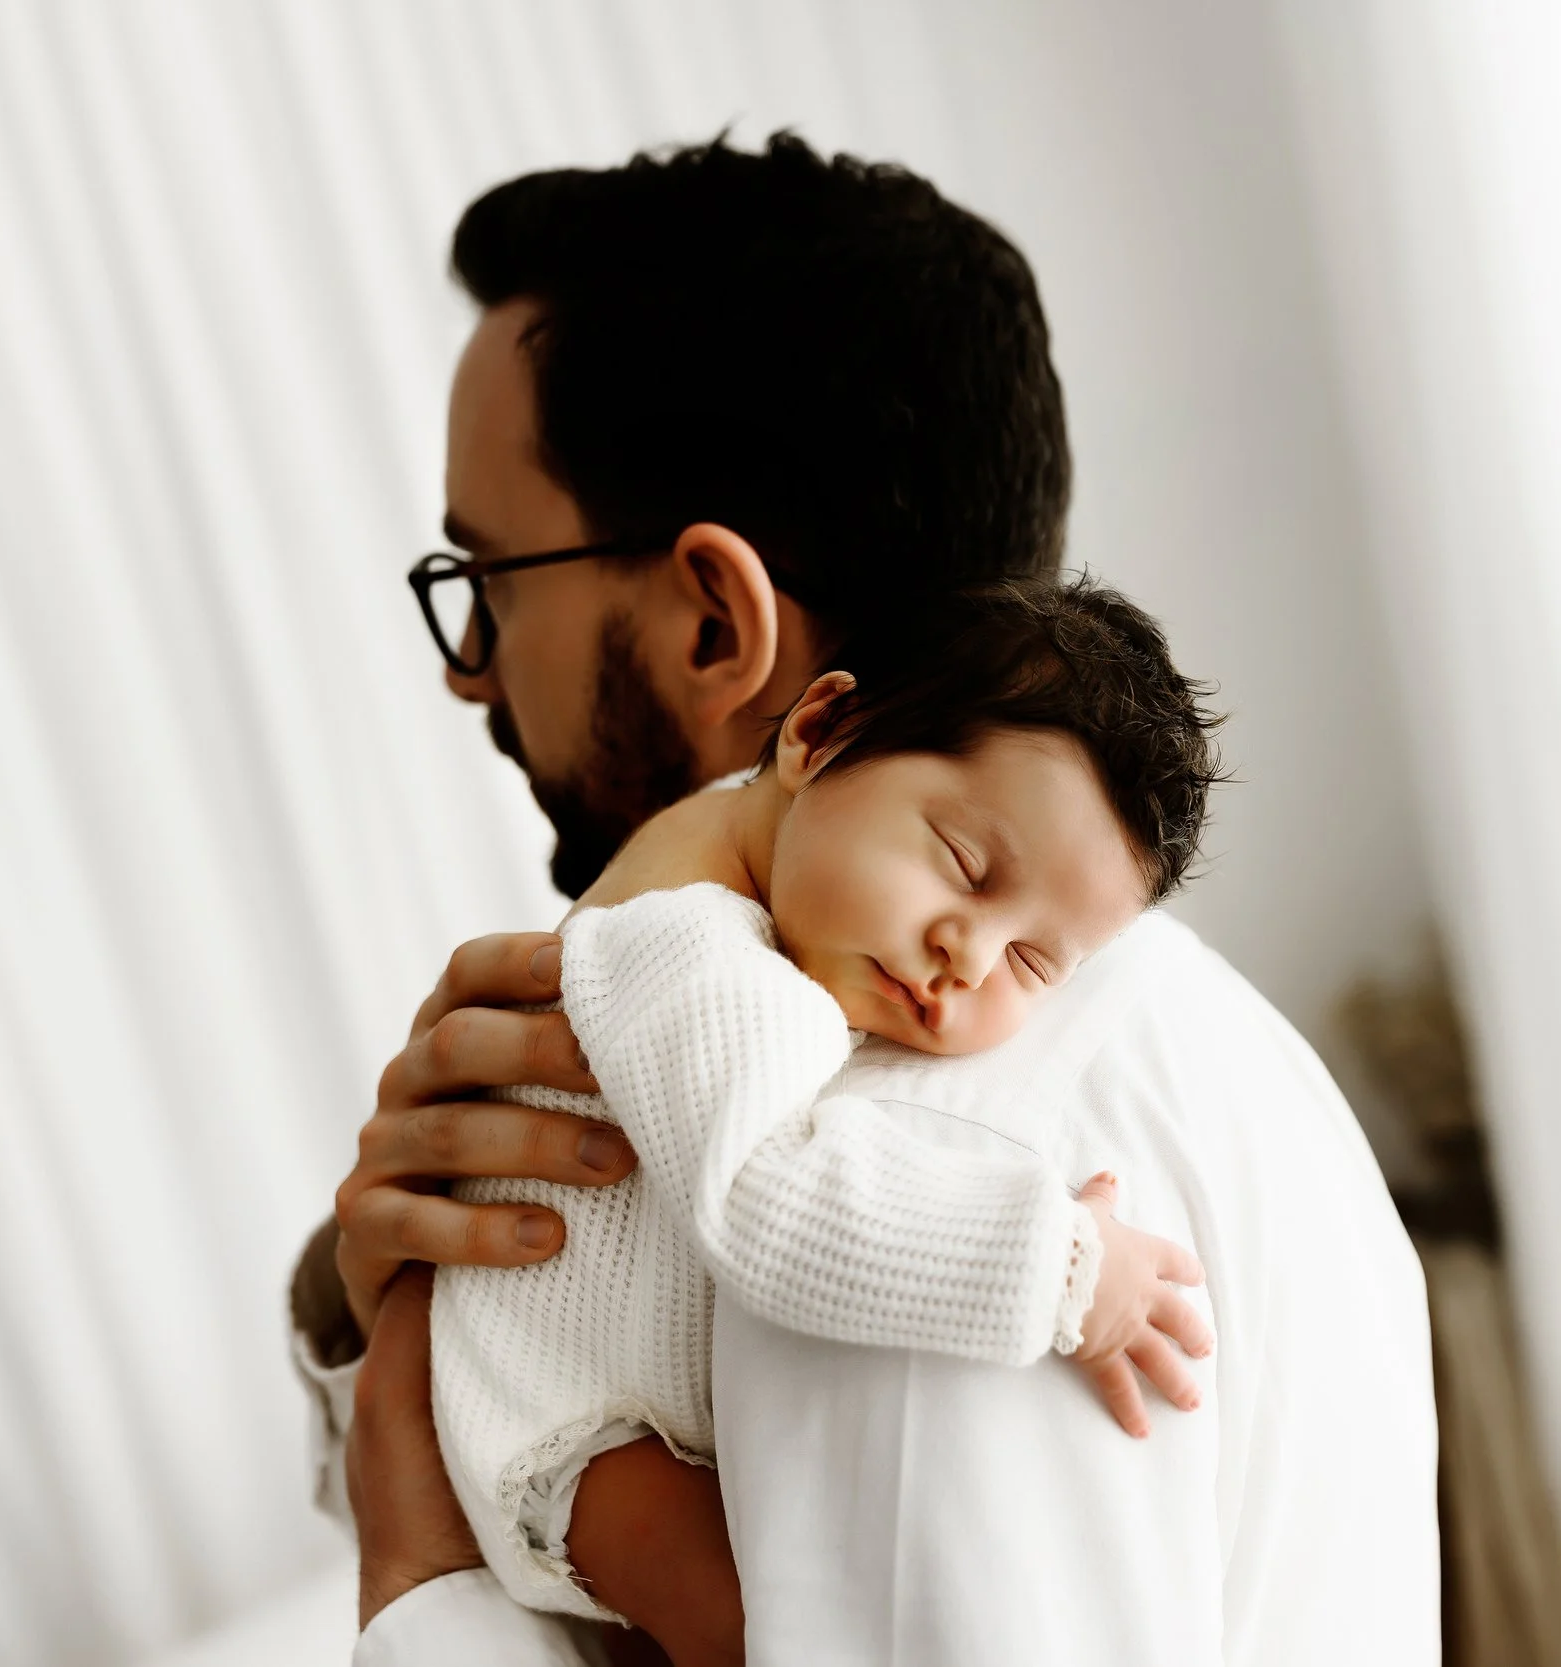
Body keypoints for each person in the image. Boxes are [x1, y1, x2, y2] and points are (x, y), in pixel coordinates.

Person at [296, 133, 1440, 1665]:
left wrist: (425, 1583)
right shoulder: (1188, 1045)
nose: (467, 665)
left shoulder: (907, 1175)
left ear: (720, 622)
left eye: (491, 578)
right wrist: (380, 1316)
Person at [434, 579, 1225, 1664]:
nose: (968, 955)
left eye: (1033, 960)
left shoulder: (754, 857)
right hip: (576, 1441)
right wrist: (1066, 1268)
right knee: (781, 1634)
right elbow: (770, 1201)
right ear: (820, 727)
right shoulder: (689, 950)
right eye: (963, 865)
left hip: (601, 1412)